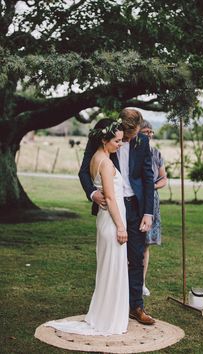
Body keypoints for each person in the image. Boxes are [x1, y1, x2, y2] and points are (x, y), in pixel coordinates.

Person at [44, 118, 129, 336]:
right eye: (118, 141)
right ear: (104, 139)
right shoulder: (107, 162)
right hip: (112, 220)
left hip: (106, 219)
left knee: (107, 269)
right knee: (112, 269)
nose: (121, 144)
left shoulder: (98, 158)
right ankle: (109, 319)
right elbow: (110, 198)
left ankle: (104, 313)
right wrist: (121, 227)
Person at [79, 108, 155, 325]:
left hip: (136, 206)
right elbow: (84, 171)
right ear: (121, 127)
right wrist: (93, 194)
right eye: (129, 134)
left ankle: (136, 307)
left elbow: (148, 178)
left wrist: (148, 212)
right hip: (112, 207)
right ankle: (111, 308)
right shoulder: (104, 135)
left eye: (134, 135)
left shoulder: (141, 140)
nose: (131, 139)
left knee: (136, 257)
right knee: (112, 259)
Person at [140, 120, 167, 297]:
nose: (149, 134)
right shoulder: (132, 152)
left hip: (152, 202)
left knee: (146, 245)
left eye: (151, 131)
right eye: (146, 131)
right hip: (136, 200)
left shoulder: (156, 153)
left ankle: (141, 282)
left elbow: (164, 178)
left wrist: (153, 187)